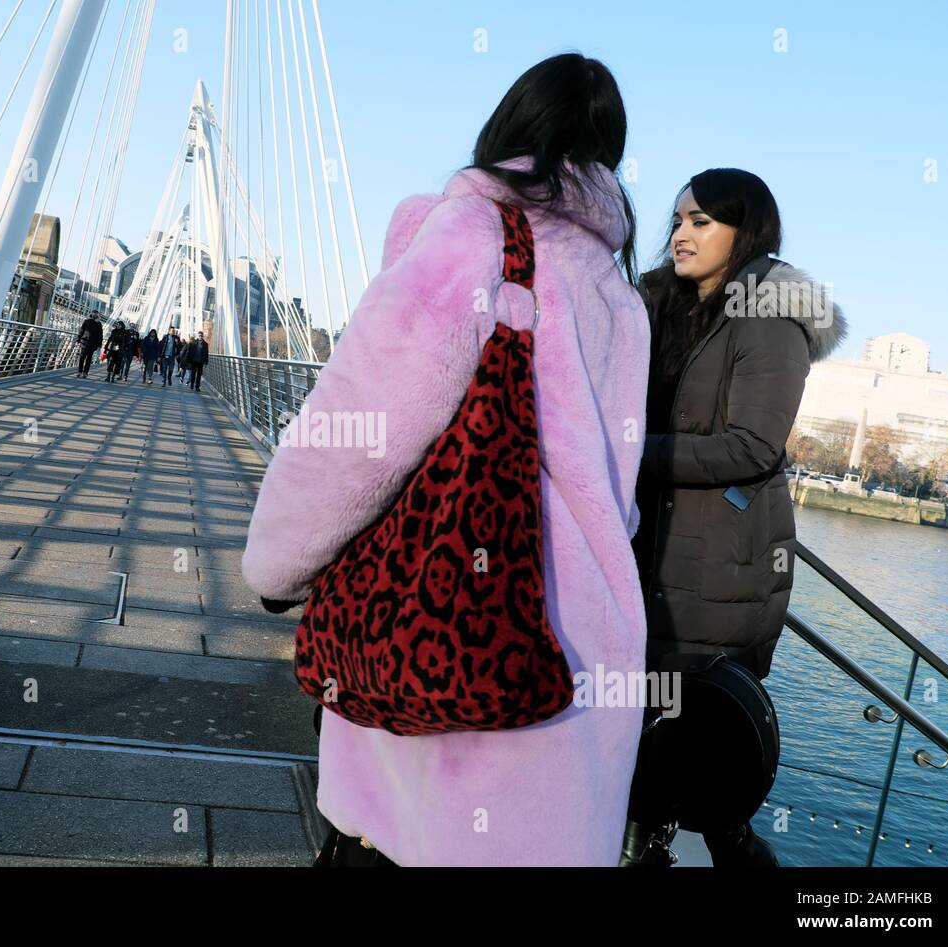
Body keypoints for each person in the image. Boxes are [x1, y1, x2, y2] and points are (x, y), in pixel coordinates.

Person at [240, 53, 650, 865]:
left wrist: (274, 565)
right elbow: (619, 494)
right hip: (580, 658)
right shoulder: (620, 295)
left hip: (455, 633)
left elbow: (359, 432)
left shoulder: (471, 235)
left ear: (506, 129)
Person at [625, 168, 847, 866]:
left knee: (687, 740)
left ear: (744, 231)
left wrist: (626, 453)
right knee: (635, 732)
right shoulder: (660, 303)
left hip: (716, 565)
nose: (680, 233)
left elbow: (752, 446)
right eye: (678, 219)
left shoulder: (770, 317)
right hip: (646, 545)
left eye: (702, 221)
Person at [76, 310, 103, 378]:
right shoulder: (86, 321)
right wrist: (78, 339)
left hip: (92, 343)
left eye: (96, 313)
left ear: (97, 315)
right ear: (91, 313)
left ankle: (85, 373)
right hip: (84, 342)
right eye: (93, 313)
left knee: (89, 359)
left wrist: (99, 345)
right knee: (82, 357)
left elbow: (100, 335)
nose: (94, 314)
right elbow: (81, 330)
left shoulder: (99, 324)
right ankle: (79, 371)